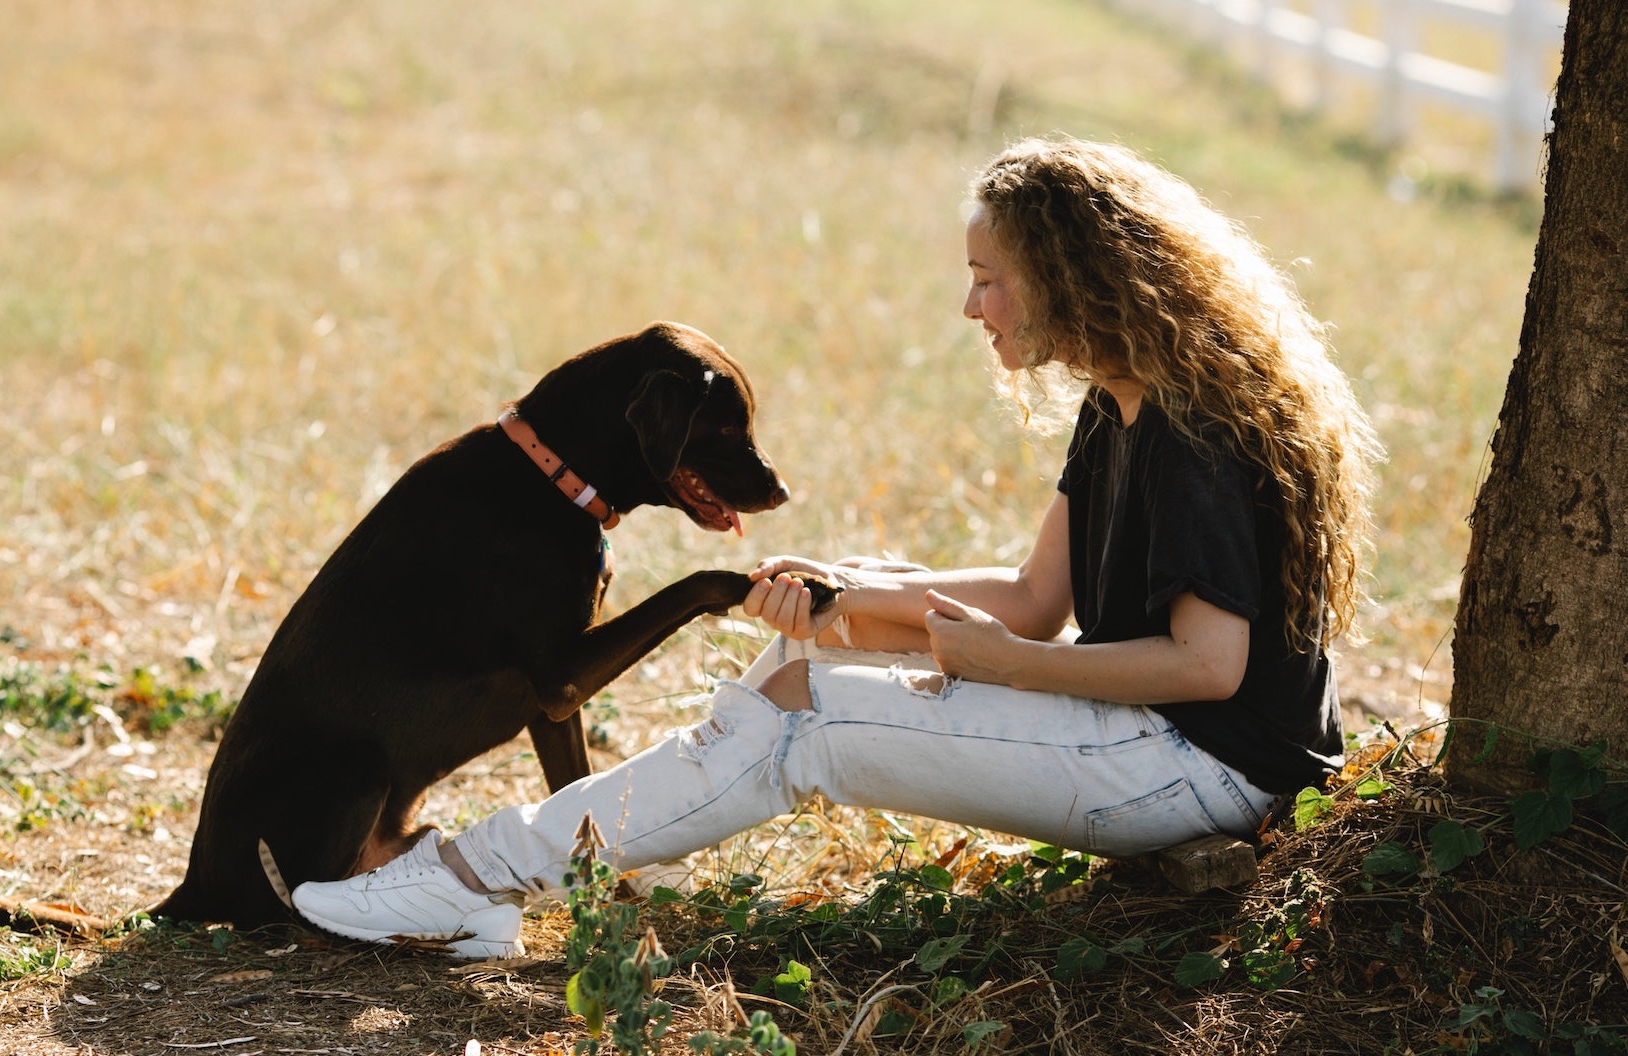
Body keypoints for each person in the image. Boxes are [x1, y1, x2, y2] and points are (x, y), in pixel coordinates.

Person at [290, 136, 1381, 959]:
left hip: (1205, 770)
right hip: (1148, 733)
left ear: (1077, 276)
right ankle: (479, 898)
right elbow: (1034, 595)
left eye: (991, 278)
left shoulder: (1192, 435)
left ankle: (465, 872)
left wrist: (1007, 667)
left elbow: (1208, 668)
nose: (972, 305)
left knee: (808, 719)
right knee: (794, 669)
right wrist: (848, 595)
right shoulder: (1119, 406)